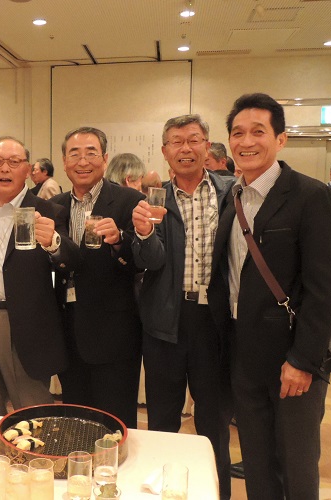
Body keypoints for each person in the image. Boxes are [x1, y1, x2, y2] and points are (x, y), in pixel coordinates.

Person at [207, 93, 331, 499]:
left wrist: (302, 360)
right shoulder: (233, 199)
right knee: (257, 460)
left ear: (281, 139)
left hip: (291, 357)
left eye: (258, 132)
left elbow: (322, 289)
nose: (246, 142)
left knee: (296, 464)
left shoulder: (311, 196)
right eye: (238, 133)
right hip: (243, 354)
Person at [131, 115, 234, 498]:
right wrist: (144, 233)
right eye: (177, 141)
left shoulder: (231, 193)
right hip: (164, 322)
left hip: (215, 322)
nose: (186, 148)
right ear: (164, 151)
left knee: (214, 423)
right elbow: (149, 261)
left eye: (194, 140)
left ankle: (217, 493)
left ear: (208, 146)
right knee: (162, 421)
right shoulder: (153, 199)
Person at [0, 136, 79, 415]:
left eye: (14, 162)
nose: (5, 168)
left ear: (28, 170)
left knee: (32, 412)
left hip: (25, 324)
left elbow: (70, 259)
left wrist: (52, 241)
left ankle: (36, 447)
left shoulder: (48, 210)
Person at [51, 127, 144, 428]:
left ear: (105, 159)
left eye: (91, 153)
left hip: (114, 335)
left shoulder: (129, 200)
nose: (83, 161)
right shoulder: (55, 206)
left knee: (114, 424)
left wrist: (119, 240)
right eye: (74, 154)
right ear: (64, 162)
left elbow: (141, 262)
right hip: (68, 333)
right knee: (75, 421)